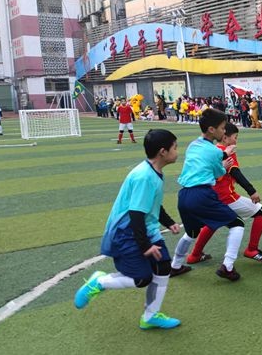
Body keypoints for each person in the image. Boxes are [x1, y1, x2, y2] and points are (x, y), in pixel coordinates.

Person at [74, 129, 182, 330]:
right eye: (175, 147)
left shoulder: (154, 172)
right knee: (141, 279)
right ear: (163, 152)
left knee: (163, 267)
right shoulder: (144, 177)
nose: (178, 151)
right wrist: (145, 246)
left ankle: (150, 317)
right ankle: (100, 282)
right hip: (128, 233)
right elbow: (136, 214)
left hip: (144, 230)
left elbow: (152, 205)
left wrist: (168, 222)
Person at [170, 108, 246, 282]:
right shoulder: (214, 151)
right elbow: (219, 169)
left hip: (184, 195)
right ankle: (227, 266)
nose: (224, 131)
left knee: (191, 232)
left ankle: (175, 266)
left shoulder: (193, 145)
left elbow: (211, 164)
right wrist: (227, 158)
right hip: (202, 194)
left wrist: (222, 160)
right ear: (212, 130)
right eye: (221, 128)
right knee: (237, 224)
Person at [187, 122, 262, 264]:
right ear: (225, 138)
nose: (236, 140)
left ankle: (194, 255)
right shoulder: (228, 151)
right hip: (227, 197)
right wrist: (252, 191)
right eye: (235, 137)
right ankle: (251, 250)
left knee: (213, 222)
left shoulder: (213, 149)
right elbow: (235, 172)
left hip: (212, 197)